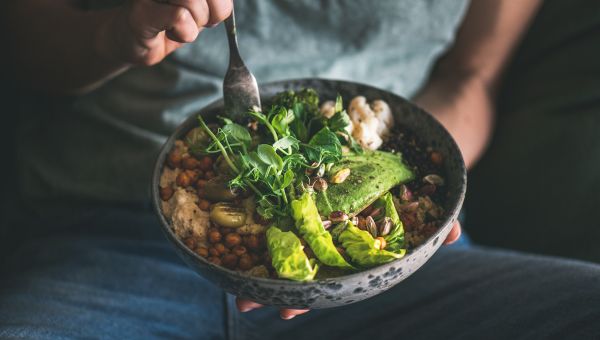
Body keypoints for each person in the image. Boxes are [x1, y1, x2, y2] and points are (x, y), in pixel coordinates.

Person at [1, 0, 599, 339]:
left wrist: (419, 199)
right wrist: (113, 35)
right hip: (110, 237)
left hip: (390, 277)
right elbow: (28, 55)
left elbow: (472, 78)